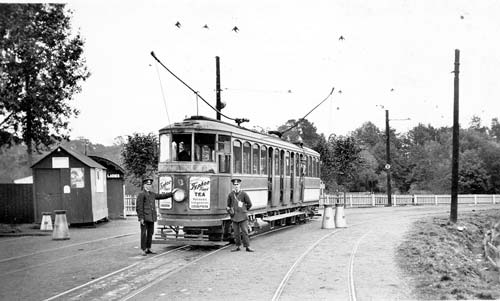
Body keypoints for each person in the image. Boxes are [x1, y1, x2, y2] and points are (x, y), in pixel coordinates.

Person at [136, 178, 177, 256]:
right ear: (144, 185)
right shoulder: (141, 194)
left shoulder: (152, 194)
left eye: (150, 184)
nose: (149, 186)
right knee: (144, 234)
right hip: (144, 218)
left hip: (151, 217)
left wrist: (171, 193)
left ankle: (148, 248)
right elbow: (139, 207)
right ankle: (143, 249)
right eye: (148, 184)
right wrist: (141, 218)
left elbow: (161, 196)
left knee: (150, 233)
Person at [226, 178, 254, 252]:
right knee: (236, 233)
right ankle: (237, 246)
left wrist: (244, 210)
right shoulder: (231, 195)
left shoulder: (244, 194)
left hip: (243, 217)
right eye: (234, 185)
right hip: (234, 216)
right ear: (233, 186)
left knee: (245, 232)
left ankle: (247, 246)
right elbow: (228, 205)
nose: (236, 186)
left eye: (237, 184)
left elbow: (249, 204)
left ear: (240, 185)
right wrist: (230, 211)